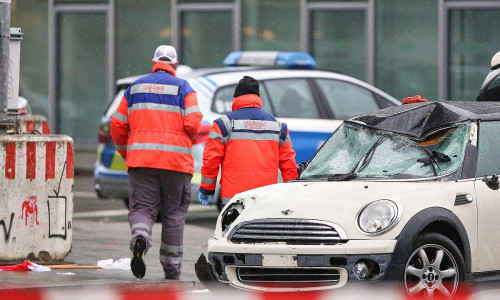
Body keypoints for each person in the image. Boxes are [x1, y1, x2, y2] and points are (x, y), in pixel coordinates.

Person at [110, 45, 202, 280]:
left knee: (143, 209)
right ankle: (171, 270)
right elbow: (193, 124)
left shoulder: (135, 88)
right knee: (173, 216)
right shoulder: (184, 88)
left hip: (142, 162)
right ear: (175, 65)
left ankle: (140, 237)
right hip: (176, 164)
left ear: (153, 62)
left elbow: (118, 126)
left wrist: (127, 152)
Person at [198, 76, 298, 207]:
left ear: (236, 98)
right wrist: (293, 194)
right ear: (258, 98)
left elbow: (211, 160)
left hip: (234, 201)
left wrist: (207, 188)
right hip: (266, 200)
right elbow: (289, 165)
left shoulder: (224, 124)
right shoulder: (278, 127)